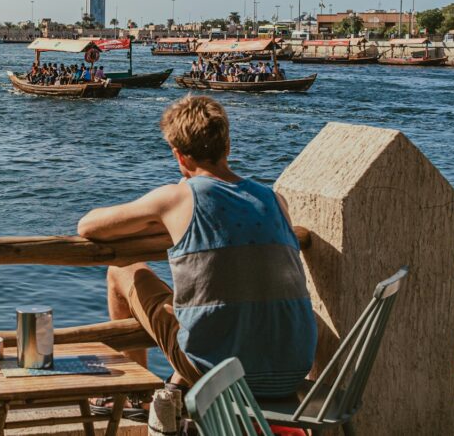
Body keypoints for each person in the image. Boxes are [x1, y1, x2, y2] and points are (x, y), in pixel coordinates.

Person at [77, 96, 315, 408]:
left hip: (218, 374)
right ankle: (174, 384)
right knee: (210, 299)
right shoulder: (274, 199)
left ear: (179, 155)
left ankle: (136, 397)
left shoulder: (177, 199)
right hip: (292, 371)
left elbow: (88, 226)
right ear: (227, 146)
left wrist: (162, 219)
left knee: (122, 270)